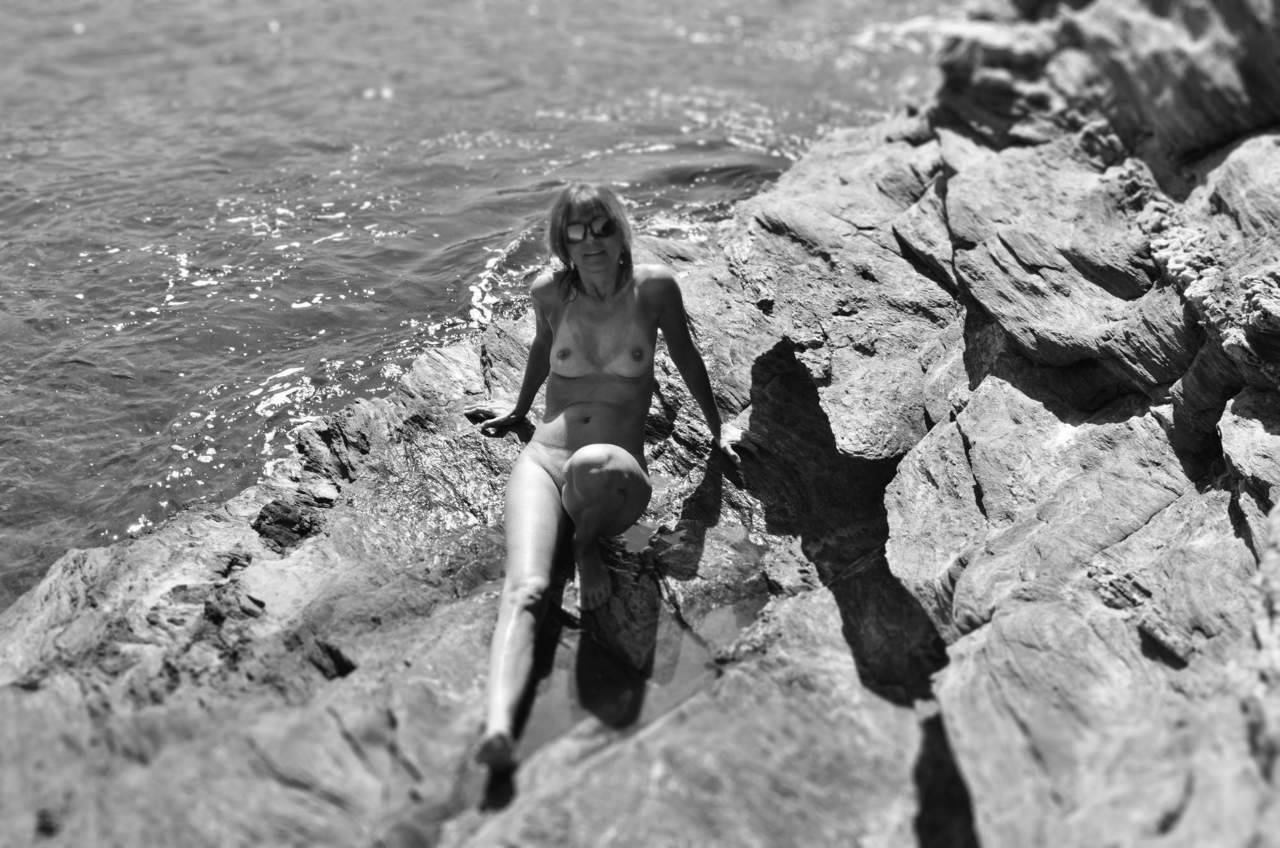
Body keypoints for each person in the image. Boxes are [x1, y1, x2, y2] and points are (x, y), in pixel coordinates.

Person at [465, 182, 740, 769]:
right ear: (561, 240)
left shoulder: (654, 288)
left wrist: (718, 430)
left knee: (592, 463)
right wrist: (518, 410)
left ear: (620, 232)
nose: (590, 241)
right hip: (546, 461)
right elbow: (542, 350)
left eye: (601, 227)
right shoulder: (549, 293)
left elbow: (686, 356)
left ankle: (587, 544)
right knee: (527, 587)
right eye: (576, 230)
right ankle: (498, 728)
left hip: (617, 473)